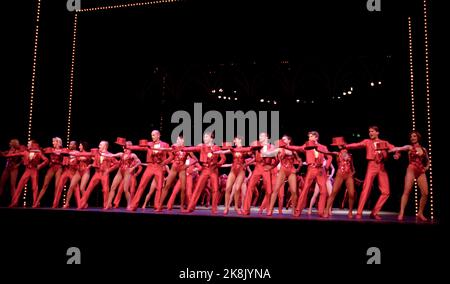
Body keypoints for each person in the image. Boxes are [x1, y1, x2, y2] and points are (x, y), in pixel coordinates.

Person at [345, 126, 398, 220]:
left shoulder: (384, 142)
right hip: (371, 165)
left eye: (372, 131)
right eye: (369, 131)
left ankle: (374, 212)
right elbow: (357, 145)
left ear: (377, 132)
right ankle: (359, 212)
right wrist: (346, 146)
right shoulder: (367, 141)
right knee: (366, 189)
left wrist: (397, 154)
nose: (370, 133)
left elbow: (394, 148)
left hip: (381, 167)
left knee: (386, 192)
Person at [285, 131, 332, 217]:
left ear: (316, 138)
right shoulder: (307, 145)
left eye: (311, 137)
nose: (309, 138)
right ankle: (298, 210)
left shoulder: (323, 147)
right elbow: (298, 148)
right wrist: (288, 146)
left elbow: (330, 157)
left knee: (323, 191)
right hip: (311, 169)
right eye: (309, 137)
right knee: (305, 190)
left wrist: (326, 165)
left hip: (321, 170)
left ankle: (321, 212)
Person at [389, 131, 429, 221]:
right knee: (407, 191)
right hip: (411, 169)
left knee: (425, 193)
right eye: (411, 137)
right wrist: (391, 149)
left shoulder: (423, 149)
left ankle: (420, 213)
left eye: (414, 136)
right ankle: (401, 212)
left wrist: (426, 168)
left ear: (418, 137)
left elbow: (428, 161)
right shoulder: (409, 147)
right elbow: (399, 148)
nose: (412, 138)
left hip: (421, 171)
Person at [127, 130, 170, 211]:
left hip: (159, 167)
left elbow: (171, 156)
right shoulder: (149, 144)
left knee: (159, 187)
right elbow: (139, 147)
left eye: (153, 135)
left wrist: (164, 162)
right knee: (141, 185)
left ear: (158, 135)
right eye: (151, 135)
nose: (152, 137)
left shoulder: (165, 144)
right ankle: (134, 205)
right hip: (150, 166)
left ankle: (157, 206)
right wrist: (129, 147)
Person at [185, 132, 226, 214]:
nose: (204, 138)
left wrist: (218, 164)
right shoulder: (202, 146)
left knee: (215, 190)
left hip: (213, 170)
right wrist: (183, 149)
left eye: (206, 137)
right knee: (197, 189)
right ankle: (190, 207)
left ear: (211, 138)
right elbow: (192, 149)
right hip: (204, 169)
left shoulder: (217, 148)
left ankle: (214, 209)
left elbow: (223, 158)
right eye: (204, 137)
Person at [320, 137, 356, 218]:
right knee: (333, 193)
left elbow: (353, 167)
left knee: (351, 194)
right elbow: (326, 152)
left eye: (341, 144)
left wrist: (352, 173)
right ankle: (326, 211)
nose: (339, 146)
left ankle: (350, 212)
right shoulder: (337, 153)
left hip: (349, 175)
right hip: (340, 175)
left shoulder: (350, 155)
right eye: (338, 145)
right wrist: (316, 148)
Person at [78, 141, 119, 209]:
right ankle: (82, 204)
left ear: (105, 146)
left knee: (105, 190)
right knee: (89, 188)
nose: (99, 146)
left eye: (100, 145)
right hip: (97, 173)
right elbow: (91, 157)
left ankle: (106, 205)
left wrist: (109, 170)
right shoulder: (97, 154)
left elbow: (117, 164)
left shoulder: (110, 155)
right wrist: (91, 165)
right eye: (99, 144)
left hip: (104, 174)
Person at [9, 140, 48, 207]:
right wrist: (5, 155)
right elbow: (15, 154)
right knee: (19, 186)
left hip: (34, 170)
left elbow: (46, 160)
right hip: (27, 170)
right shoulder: (26, 152)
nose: (28, 144)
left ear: (33, 144)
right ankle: (14, 202)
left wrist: (40, 165)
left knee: (34, 187)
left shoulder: (38, 152)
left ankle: (35, 203)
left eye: (29, 143)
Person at [105, 140, 141, 209]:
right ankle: (108, 204)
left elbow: (139, 162)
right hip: (120, 171)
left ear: (130, 148)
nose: (125, 149)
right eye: (125, 147)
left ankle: (129, 204)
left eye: (127, 148)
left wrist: (133, 168)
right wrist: (104, 154)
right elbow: (112, 155)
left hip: (127, 172)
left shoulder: (133, 155)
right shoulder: (121, 154)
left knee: (125, 189)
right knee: (113, 187)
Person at [34, 137, 64, 207]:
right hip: (52, 167)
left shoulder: (62, 150)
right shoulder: (50, 149)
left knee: (57, 186)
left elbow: (67, 154)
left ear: (58, 142)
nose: (53, 143)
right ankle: (37, 202)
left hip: (59, 168)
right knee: (45, 185)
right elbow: (41, 150)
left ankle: (55, 203)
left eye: (54, 141)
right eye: (52, 141)